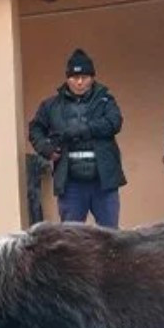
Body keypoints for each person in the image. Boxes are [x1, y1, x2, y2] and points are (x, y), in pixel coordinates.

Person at [28, 49, 126, 227]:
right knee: (71, 239)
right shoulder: (51, 105)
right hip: (70, 183)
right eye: (74, 77)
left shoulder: (105, 100)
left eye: (85, 77)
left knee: (111, 237)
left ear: (92, 77)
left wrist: (84, 129)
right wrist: (46, 148)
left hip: (103, 181)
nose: (79, 82)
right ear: (67, 78)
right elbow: (35, 129)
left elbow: (115, 122)